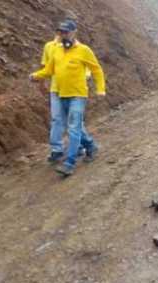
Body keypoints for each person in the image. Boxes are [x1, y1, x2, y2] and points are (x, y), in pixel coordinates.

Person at [30, 20, 106, 177]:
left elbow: (96, 70)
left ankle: (69, 162)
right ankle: (91, 146)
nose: (62, 35)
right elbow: (49, 70)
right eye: (60, 32)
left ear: (73, 32)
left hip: (77, 95)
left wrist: (100, 89)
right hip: (59, 94)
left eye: (65, 32)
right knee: (73, 125)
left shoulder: (84, 50)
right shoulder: (56, 50)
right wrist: (35, 76)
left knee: (73, 127)